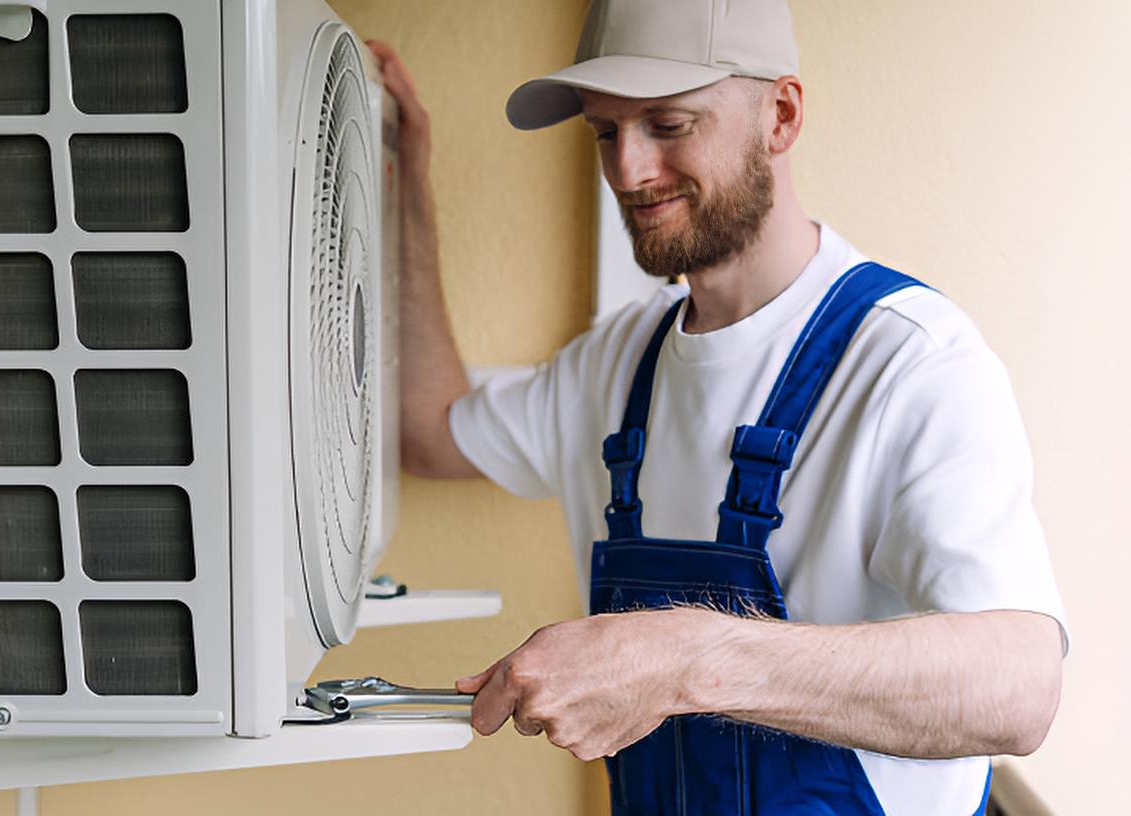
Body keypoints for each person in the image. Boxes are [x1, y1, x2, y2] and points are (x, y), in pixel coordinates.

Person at [368, 0, 1067, 812]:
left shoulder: (909, 360)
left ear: (781, 115)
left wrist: (682, 657)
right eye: (605, 130)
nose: (627, 170)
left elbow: (1020, 688)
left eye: (668, 124)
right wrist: (405, 183)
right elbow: (429, 432)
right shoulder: (617, 362)